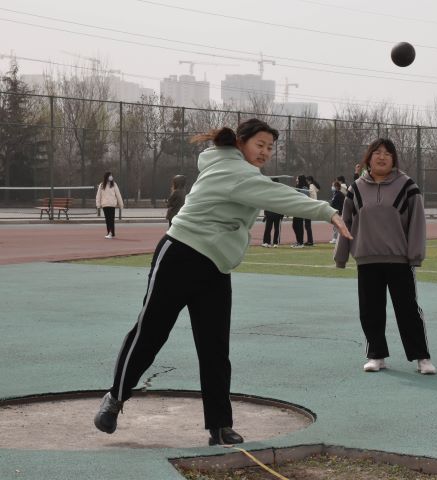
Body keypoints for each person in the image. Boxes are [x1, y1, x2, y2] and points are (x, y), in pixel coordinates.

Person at [93, 118, 351, 446]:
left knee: (215, 347)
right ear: (240, 143)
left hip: (215, 267)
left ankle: (219, 427)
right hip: (180, 255)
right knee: (151, 332)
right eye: (259, 145)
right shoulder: (233, 171)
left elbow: (267, 192)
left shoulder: (240, 172)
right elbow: (278, 196)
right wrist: (328, 211)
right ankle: (115, 399)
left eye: (270, 148)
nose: (265, 152)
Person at [334, 138, 435, 375]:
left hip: (399, 260)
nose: (382, 157)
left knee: (408, 310)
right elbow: (345, 222)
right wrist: (341, 257)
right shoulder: (356, 188)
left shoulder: (408, 186)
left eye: (387, 154)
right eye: (377, 153)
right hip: (367, 259)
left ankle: (422, 357)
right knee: (370, 310)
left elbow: (417, 224)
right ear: (368, 158)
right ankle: (376, 355)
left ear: (394, 159)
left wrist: (415, 255)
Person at [96, 171, 124, 239]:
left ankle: (111, 233)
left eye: (111, 175)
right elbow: (98, 195)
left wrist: (121, 204)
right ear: (107, 177)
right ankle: (110, 232)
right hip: (105, 205)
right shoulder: (102, 185)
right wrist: (98, 205)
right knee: (107, 219)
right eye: (110, 175)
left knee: (111, 219)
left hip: (112, 204)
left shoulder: (114, 184)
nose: (111, 177)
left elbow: (118, 195)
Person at [262, 178, 285, 247]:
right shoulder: (270, 191)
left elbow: (282, 203)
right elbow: (266, 202)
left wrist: (281, 214)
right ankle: (270, 242)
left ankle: (272, 242)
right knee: (270, 228)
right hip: (272, 213)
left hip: (275, 213)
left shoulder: (280, 191)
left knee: (272, 228)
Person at [291, 175, 310, 248]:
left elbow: (304, 198)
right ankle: (299, 241)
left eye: (297, 178)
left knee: (298, 225)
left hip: (301, 209)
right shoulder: (298, 187)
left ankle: (300, 242)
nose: (296, 179)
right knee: (295, 225)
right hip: (296, 208)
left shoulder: (304, 188)